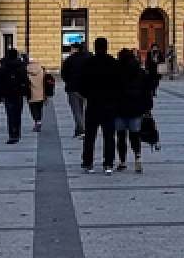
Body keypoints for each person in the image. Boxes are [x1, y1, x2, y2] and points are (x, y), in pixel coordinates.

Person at [80, 36, 122, 174]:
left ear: (95, 47)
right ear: (107, 47)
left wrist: (88, 94)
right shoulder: (113, 63)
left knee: (90, 135)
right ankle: (108, 164)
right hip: (110, 105)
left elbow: (82, 84)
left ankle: (88, 163)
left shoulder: (88, 63)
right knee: (109, 136)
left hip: (93, 104)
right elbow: (119, 84)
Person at [114, 49, 151, 172]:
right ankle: (138, 157)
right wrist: (147, 107)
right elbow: (147, 91)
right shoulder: (140, 72)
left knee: (121, 136)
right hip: (136, 108)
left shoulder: (116, 71)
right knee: (135, 135)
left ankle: (123, 162)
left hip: (119, 108)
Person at [61, 41, 91, 137]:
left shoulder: (70, 59)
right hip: (87, 88)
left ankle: (81, 128)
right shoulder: (89, 58)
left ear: (75, 49)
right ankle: (79, 128)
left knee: (76, 109)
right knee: (84, 108)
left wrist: (68, 81)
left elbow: (64, 73)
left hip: (73, 88)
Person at [25, 53, 47, 133]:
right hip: (41, 92)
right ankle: (39, 121)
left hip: (31, 93)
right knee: (39, 108)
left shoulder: (26, 70)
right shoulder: (41, 69)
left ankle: (36, 121)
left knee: (33, 108)